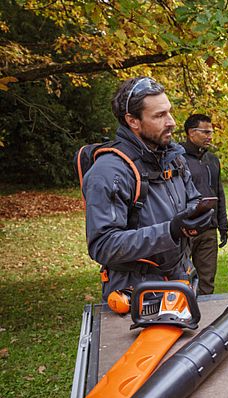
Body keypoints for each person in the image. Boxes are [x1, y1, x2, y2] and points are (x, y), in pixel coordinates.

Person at [83, 76, 213, 302]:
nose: (171, 121)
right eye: (159, 116)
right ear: (133, 121)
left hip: (180, 283)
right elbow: (103, 245)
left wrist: (194, 216)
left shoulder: (173, 158)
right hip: (136, 295)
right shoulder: (109, 171)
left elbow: (191, 198)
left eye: (169, 112)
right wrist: (171, 231)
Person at [182, 114, 228, 295]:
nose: (210, 136)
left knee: (207, 281)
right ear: (191, 132)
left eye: (211, 132)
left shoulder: (213, 160)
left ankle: (206, 317)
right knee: (181, 279)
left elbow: (219, 193)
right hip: (185, 229)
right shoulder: (177, 158)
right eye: (205, 132)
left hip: (209, 228)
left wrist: (223, 225)